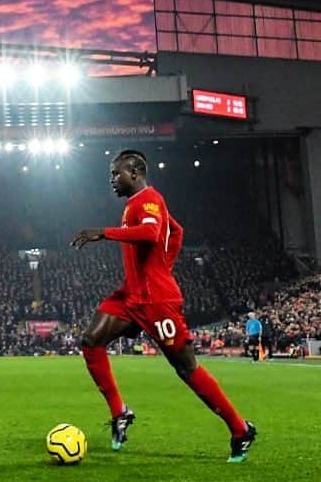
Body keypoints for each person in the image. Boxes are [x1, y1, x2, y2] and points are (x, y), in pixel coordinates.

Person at [72, 150, 257, 463]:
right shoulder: (140, 203)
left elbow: (151, 232)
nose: (112, 181)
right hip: (132, 296)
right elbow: (177, 231)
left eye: (117, 174)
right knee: (91, 340)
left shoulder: (148, 199)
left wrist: (102, 233)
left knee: (186, 368)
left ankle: (240, 429)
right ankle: (120, 412)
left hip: (157, 302)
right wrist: (162, 267)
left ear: (135, 172)